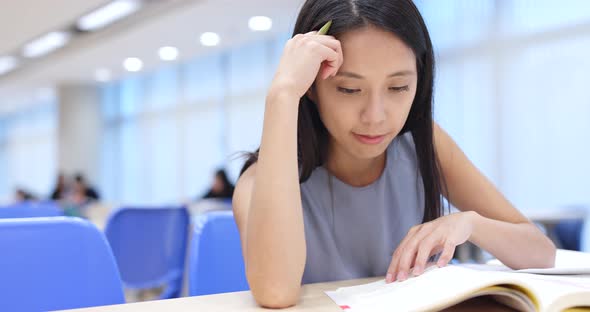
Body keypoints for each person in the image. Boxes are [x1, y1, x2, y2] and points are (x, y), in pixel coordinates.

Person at [232, 0, 556, 308]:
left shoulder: (422, 142)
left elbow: (541, 252)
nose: (375, 117)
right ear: (312, 88)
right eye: (349, 89)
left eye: (398, 87)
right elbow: (275, 292)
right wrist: (283, 94)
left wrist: (469, 223)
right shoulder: (261, 178)